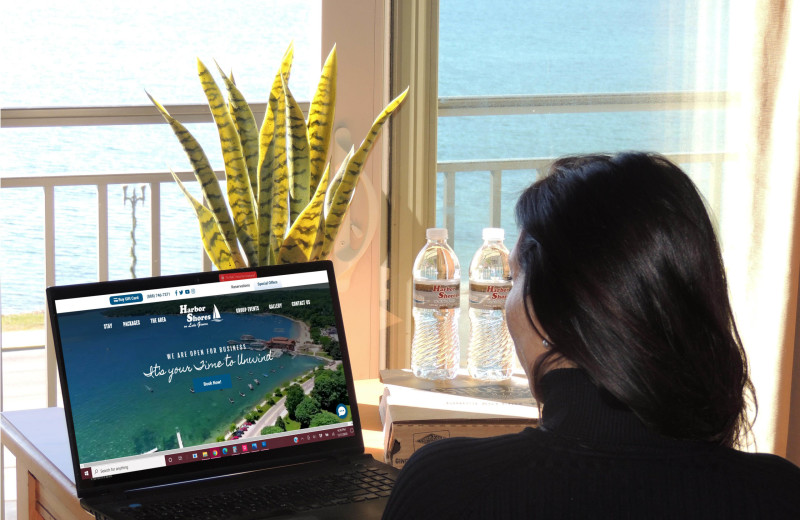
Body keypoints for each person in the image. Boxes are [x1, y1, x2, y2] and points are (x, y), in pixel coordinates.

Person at [382, 152, 800, 519]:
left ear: (547, 313)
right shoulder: (779, 493)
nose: (507, 298)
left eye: (514, 279)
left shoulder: (448, 488)